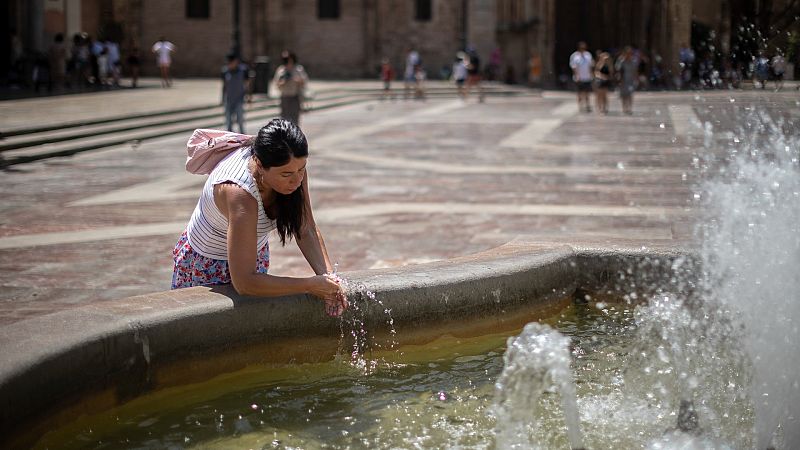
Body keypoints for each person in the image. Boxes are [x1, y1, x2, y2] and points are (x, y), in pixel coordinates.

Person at [173, 119, 348, 317]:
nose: (297, 180)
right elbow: (245, 282)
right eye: (286, 174)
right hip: (206, 265)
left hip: (251, 256)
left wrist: (328, 278)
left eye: (302, 169)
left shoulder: (292, 167)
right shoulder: (239, 192)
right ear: (260, 164)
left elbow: (305, 227)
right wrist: (308, 285)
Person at [273, 50, 308, 125]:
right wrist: (282, 82)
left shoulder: (298, 69)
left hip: (294, 97)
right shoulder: (281, 70)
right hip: (284, 97)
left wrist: (296, 80)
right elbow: (276, 83)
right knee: (284, 121)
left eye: (288, 59)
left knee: (295, 121)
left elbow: (304, 82)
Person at [221, 53, 250, 133]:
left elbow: (247, 84)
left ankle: (243, 137)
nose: (229, 64)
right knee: (228, 122)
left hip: (239, 99)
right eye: (228, 63)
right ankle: (229, 139)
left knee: (240, 120)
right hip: (229, 100)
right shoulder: (225, 71)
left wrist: (248, 96)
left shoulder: (243, 70)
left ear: (236, 61)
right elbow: (224, 86)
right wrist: (222, 98)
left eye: (231, 62)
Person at [569, 41, 594, 112]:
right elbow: (573, 67)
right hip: (579, 78)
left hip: (587, 77)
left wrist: (591, 74)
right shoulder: (575, 56)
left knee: (587, 92)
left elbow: (590, 66)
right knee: (579, 92)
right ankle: (580, 106)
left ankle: (587, 105)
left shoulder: (588, 55)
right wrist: (576, 75)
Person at [616, 46, 637, 115]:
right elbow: (618, 70)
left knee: (630, 95)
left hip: (630, 81)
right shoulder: (621, 61)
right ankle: (624, 108)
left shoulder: (633, 61)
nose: (629, 54)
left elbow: (635, 71)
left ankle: (630, 108)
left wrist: (636, 79)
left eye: (630, 53)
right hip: (623, 81)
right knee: (624, 95)